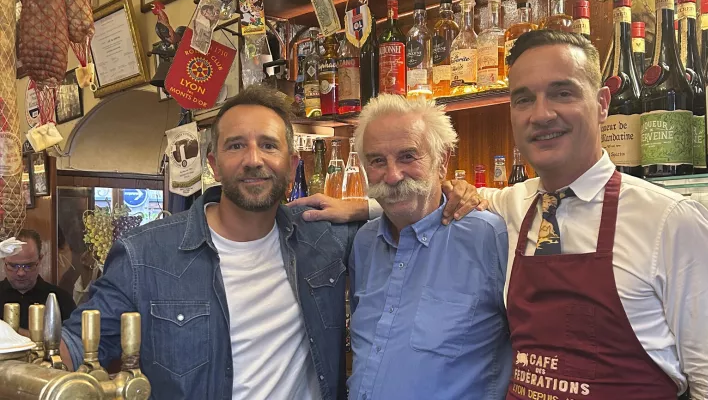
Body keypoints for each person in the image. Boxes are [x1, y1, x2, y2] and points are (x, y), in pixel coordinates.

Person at [57, 85, 481, 400]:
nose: (253, 159)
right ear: (213, 164)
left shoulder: (325, 237)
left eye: (268, 145)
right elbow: (74, 350)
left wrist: (445, 192)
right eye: (236, 146)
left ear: (291, 164)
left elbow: (407, 204)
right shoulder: (145, 254)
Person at [460, 31, 708, 399]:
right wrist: (443, 193)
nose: (541, 114)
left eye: (563, 93)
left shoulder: (672, 221)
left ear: (601, 104)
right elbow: (437, 196)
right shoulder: (510, 205)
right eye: (524, 99)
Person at [346, 95, 511, 399]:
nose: (392, 175)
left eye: (408, 156)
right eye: (377, 161)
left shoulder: (489, 236)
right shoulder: (364, 242)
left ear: (442, 160)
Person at [1, 229, 76, 328]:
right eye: (13, 266)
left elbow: (72, 336)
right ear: (4, 259)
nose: (21, 273)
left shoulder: (61, 299)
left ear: (40, 259)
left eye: (28, 266)